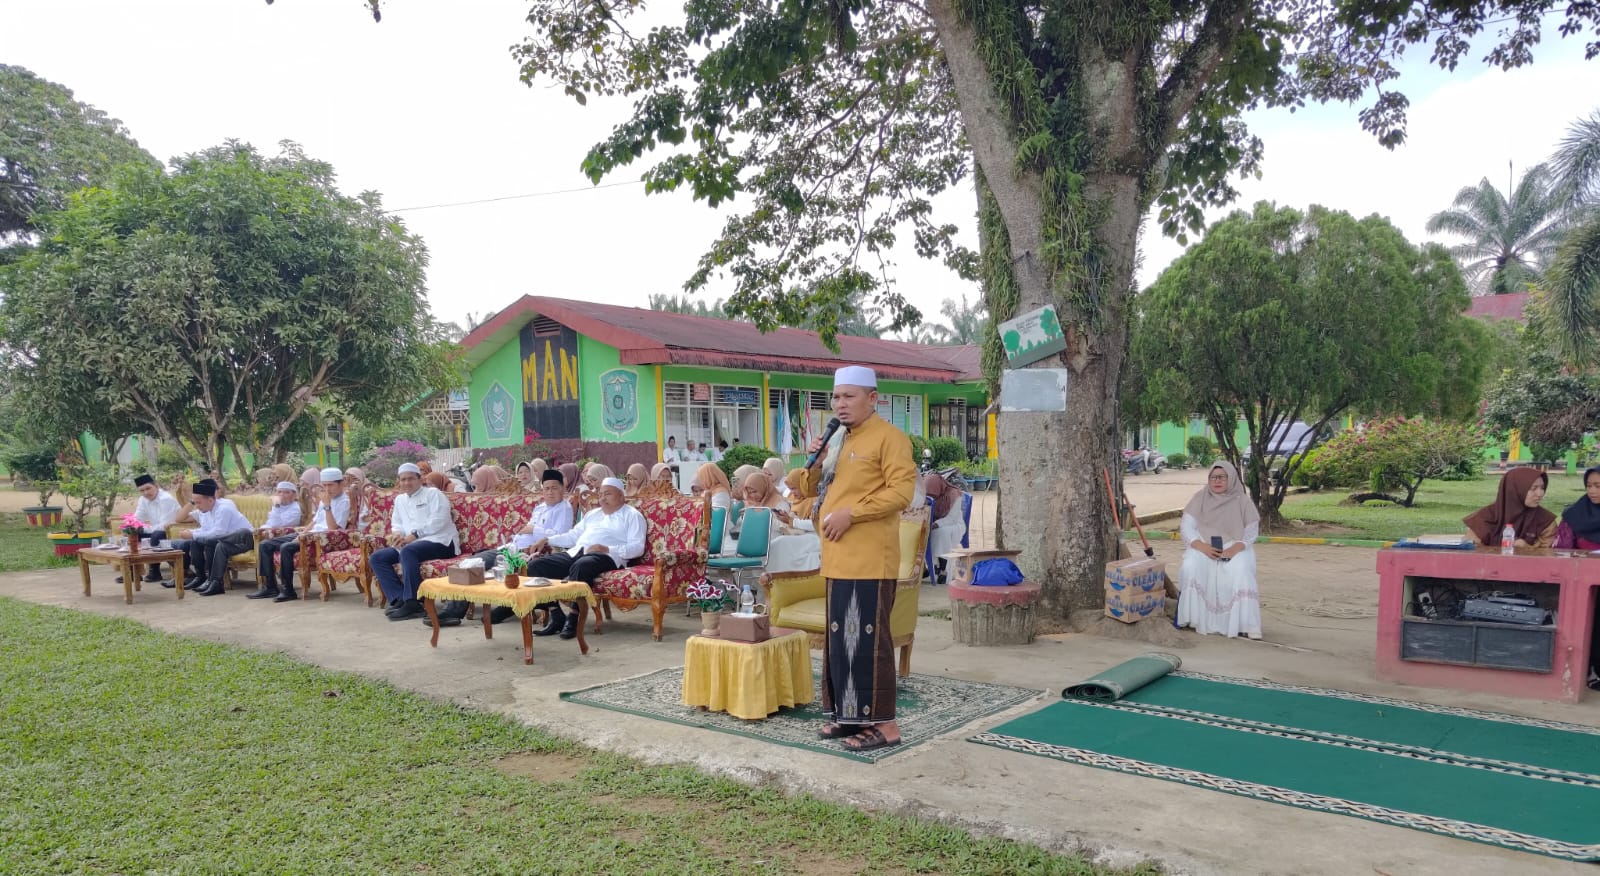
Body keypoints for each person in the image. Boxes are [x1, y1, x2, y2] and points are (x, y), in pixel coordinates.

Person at [791, 365, 915, 752]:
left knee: (869, 643)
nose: (840, 404)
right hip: (838, 559)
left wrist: (852, 514)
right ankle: (850, 717)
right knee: (841, 644)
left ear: (873, 398)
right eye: (836, 397)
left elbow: (900, 493)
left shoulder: (890, 439)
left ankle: (887, 726)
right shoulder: (840, 440)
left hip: (870, 560)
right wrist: (812, 464)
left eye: (849, 396)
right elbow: (818, 494)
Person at [433, 469, 577, 627]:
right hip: (511, 547)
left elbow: (560, 536)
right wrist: (526, 531)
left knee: (501, 565)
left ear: (563, 488)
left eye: (554, 488)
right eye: (546, 488)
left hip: (530, 552)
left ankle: (506, 608)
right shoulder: (540, 507)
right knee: (472, 563)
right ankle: (452, 612)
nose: (550, 492)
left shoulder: (564, 508)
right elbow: (527, 529)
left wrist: (534, 530)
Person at [526, 477, 647, 639]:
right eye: (601, 494)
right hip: (577, 552)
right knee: (536, 566)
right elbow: (573, 536)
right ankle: (556, 616)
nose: (602, 498)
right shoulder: (592, 514)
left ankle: (574, 618)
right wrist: (547, 540)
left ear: (621, 496)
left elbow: (637, 548)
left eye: (608, 494)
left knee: (582, 565)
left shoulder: (632, 516)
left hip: (608, 557)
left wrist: (607, 548)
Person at [1175, 461, 1262, 639]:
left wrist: (1235, 549)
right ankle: (1193, 618)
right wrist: (1201, 546)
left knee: (1241, 569)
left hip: (1234, 545)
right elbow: (1187, 527)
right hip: (1204, 544)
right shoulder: (1200, 498)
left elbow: (1251, 532)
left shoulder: (1243, 501)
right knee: (1190, 566)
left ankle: (1245, 624)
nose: (1217, 481)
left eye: (1222, 477)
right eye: (1213, 477)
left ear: (1231, 478)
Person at [371, 463, 460, 621]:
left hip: (441, 541)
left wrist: (414, 535)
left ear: (420, 479)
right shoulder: (400, 500)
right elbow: (396, 522)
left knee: (408, 551)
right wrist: (397, 535)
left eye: (410, 478)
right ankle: (400, 599)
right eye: (403, 479)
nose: (406, 483)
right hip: (411, 543)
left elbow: (439, 520)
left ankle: (414, 603)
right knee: (377, 558)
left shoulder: (433, 494)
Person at [250, 468, 350, 602]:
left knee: (286, 547)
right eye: (324, 485)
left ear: (341, 484)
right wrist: (302, 533)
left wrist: (327, 506)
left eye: (330, 485)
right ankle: (270, 587)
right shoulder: (326, 498)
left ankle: (288, 590)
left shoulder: (344, 501)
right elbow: (315, 521)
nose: (327, 489)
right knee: (265, 545)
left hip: (324, 538)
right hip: (310, 533)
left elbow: (333, 528)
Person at [1553, 467, 1600, 691]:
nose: (1592, 491)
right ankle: (1593, 670)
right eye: (1589, 485)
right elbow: (1561, 551)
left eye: (1598, 486)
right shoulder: (1575, 515)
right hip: (1586, 588)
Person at [171, 480, 255, 596]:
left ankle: (213, 582)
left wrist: (193, 534)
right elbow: (207, 530)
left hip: (243, 540)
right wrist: (191, 532)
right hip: (224, 542)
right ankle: (206, 579)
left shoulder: (224, 508)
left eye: (198, 503)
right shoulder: (205, 510)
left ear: (210, 500)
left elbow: (218, 532)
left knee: (211, 540)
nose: (197, 506)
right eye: (195, 503)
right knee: (202, 542)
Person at [1464, 467, 1558, 549]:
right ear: (1515, 490)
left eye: (1542, 488)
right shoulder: (1485, 517)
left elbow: (1550, 555)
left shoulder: (1545, 521)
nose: (1540, 494)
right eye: (1533, 488)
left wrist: (1527, 548)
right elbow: (1471, 552)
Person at [128, 473, 182, 586]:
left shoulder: (166, 499)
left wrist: (144, 529)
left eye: (148, 488)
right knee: (132, 534)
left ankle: (155, 571)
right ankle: (132, 572)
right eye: (142, 490)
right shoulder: (143, 499)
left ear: (156, 486)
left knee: (156, 535)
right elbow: (138, 518)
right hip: (154, 531)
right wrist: (131, 526)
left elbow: (165, 525)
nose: (146, 493)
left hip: (172, 531)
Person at [924, 472, 966, 583]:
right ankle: (924, 567)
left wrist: (935, 524)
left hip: (954, 524)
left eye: (933, 494)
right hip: (933, 524)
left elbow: (952, 518)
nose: (932, 497)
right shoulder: (928, 496)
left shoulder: (954, 495)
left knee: (941, 533)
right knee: (919, 532)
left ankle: (943, 570)